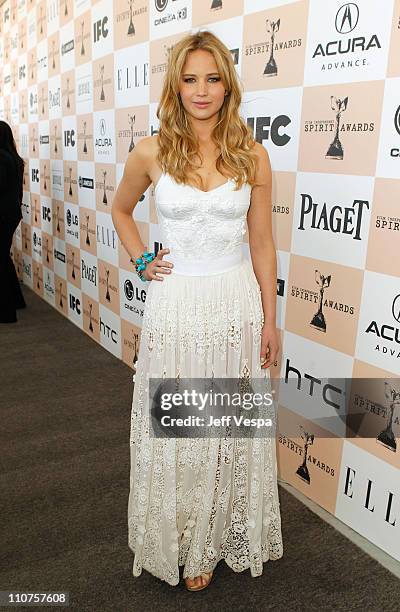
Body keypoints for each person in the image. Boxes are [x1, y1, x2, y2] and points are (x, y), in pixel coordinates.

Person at [112, 30, 283, 591]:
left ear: (227, 85)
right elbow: (120, 210)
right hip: (177, 305)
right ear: (175, 86)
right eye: (190, 79)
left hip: (235, 304)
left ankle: (211, 541)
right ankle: (180, 534)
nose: (201, 90)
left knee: (224, 428)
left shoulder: (252, 153)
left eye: (212, 78)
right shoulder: (151, 150)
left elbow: (261, 244)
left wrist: (270, 319)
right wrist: (142, 263)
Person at [0, 120, 26, 323]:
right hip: (11, 213)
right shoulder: (15, 158)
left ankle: (6, 312)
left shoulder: (1, 158)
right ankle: (16, 300)